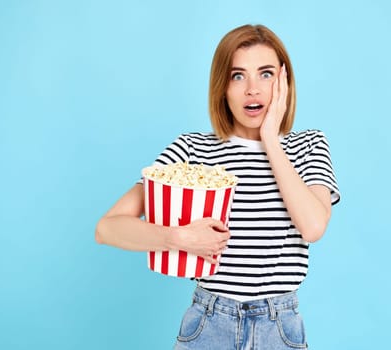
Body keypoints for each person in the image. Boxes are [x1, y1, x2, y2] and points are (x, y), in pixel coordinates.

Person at [96, 24, 340, 349]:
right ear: (222, 86)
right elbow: (107, 228)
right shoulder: (192, 151)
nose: (252, 88)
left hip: (278, 329)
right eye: (238, 76)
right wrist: (176, 237)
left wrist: (270, 139)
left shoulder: (308, 146)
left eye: (265, 74)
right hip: (209, 323)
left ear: (284, 83)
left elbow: (312, 226)